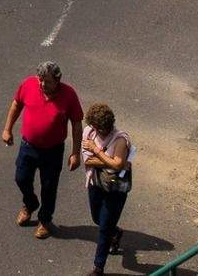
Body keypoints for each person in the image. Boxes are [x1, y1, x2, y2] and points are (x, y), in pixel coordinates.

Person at [2, 61, 83, 240]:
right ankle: (30, 204)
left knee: (49, 187)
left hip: (53, 151)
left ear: (57, 80)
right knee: (21, 178)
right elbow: (16, 104)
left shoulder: (69, 95)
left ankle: (44, 220)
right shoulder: (28, 85)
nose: (42, 84)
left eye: (47, 81)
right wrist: (7, 129)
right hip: (28, 146)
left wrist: (76, 153)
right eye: (40, 80)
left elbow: (77, 124)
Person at [81, 103, 133, 275]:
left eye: (106, 127)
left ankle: (98, 267)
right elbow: (88, 161)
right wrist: (110, 161)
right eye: (100, 128)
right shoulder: (88, 132)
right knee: (97, 218)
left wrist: (96, 150)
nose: (103, 131)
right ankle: (115, 232)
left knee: (103, 227)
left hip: (115, 190)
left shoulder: (120, 139)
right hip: (95, 184)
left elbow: (118, 165)